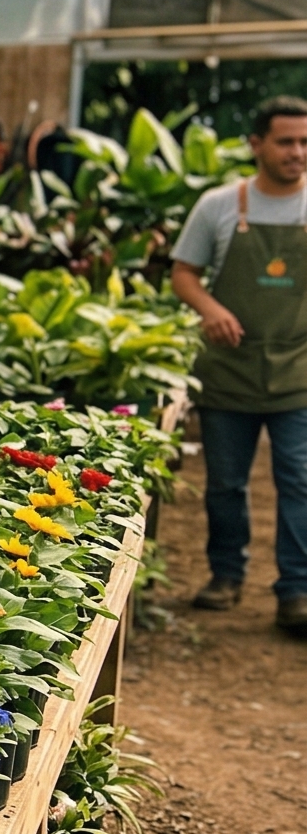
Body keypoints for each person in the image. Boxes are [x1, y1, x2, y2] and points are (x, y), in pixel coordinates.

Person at [170, 95, 307, 631]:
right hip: (229, 368)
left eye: (304, 142)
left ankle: (296, 590)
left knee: (299, 479)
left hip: (298, 368)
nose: (298, 152)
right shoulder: (220, 205)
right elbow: (184, 273)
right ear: (256, 144)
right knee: (226, 482)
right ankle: (225, 576)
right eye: (286, 141)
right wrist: (211, 309)